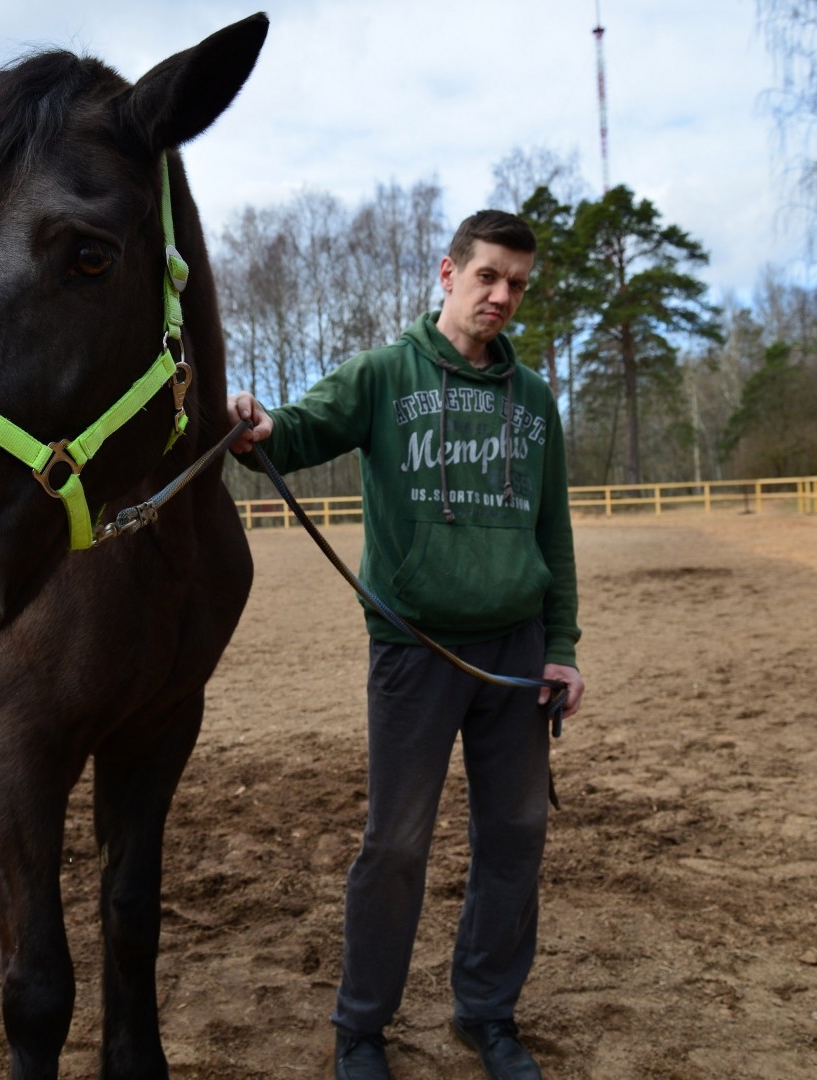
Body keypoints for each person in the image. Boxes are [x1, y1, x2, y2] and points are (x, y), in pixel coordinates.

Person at [226, 210, 585, 1080]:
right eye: (488, 276)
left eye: (517, 285)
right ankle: (360, 1029)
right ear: (447, 273)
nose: (501, 296)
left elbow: (554, 531)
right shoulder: (383, 375)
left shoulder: (533, 400)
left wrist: (562, 644)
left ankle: (487, 1014)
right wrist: (254, 423)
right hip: (414, 651)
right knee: (395, 844)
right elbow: (296, 433)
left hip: (515, 649)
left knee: (516, 837)